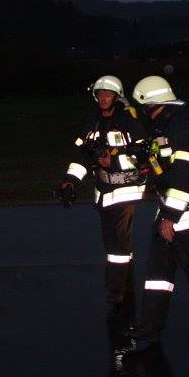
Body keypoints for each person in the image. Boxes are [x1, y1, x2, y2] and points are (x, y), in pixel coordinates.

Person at [122, 76, 189, 344]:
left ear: (150, 104)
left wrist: (169, 217)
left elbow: (185, 175)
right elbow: (166, 167)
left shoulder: (182, 127)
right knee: (158, 272)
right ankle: (151, 324)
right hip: (173, 208)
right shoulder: (165, 125)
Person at [58, 75, 149, 308]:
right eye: (100, 94)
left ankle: (116, 291)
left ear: (117, 97)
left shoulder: (128, 121)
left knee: (117, 245)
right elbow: (82, 155)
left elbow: (145, 155)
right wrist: (70, 181)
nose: (103, 98)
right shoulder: (93, 121)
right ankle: (127, 284)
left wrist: (114, 162)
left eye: (108, 94)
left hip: (126, 190)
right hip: (104, 190)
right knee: (114, 242)